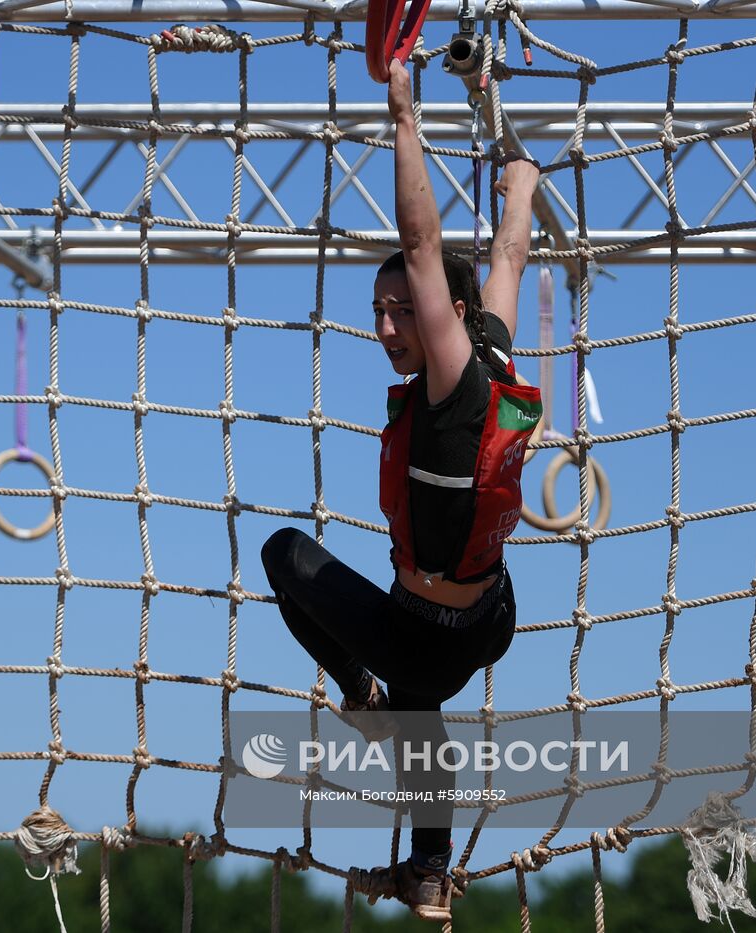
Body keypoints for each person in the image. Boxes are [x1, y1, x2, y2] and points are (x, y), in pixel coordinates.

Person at [259, 58, 542, 922]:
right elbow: (508, 253)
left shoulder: (457, 380)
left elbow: (426, 243)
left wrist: (404, 117)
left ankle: (360, 696)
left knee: (283, 555)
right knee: (420, 699)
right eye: (377, 309)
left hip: (426, 632)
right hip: (489, 616)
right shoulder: (489, 348)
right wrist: (521, 182)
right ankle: (427, 867)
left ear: (444, 314)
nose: (385, 327)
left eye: (400, 308)